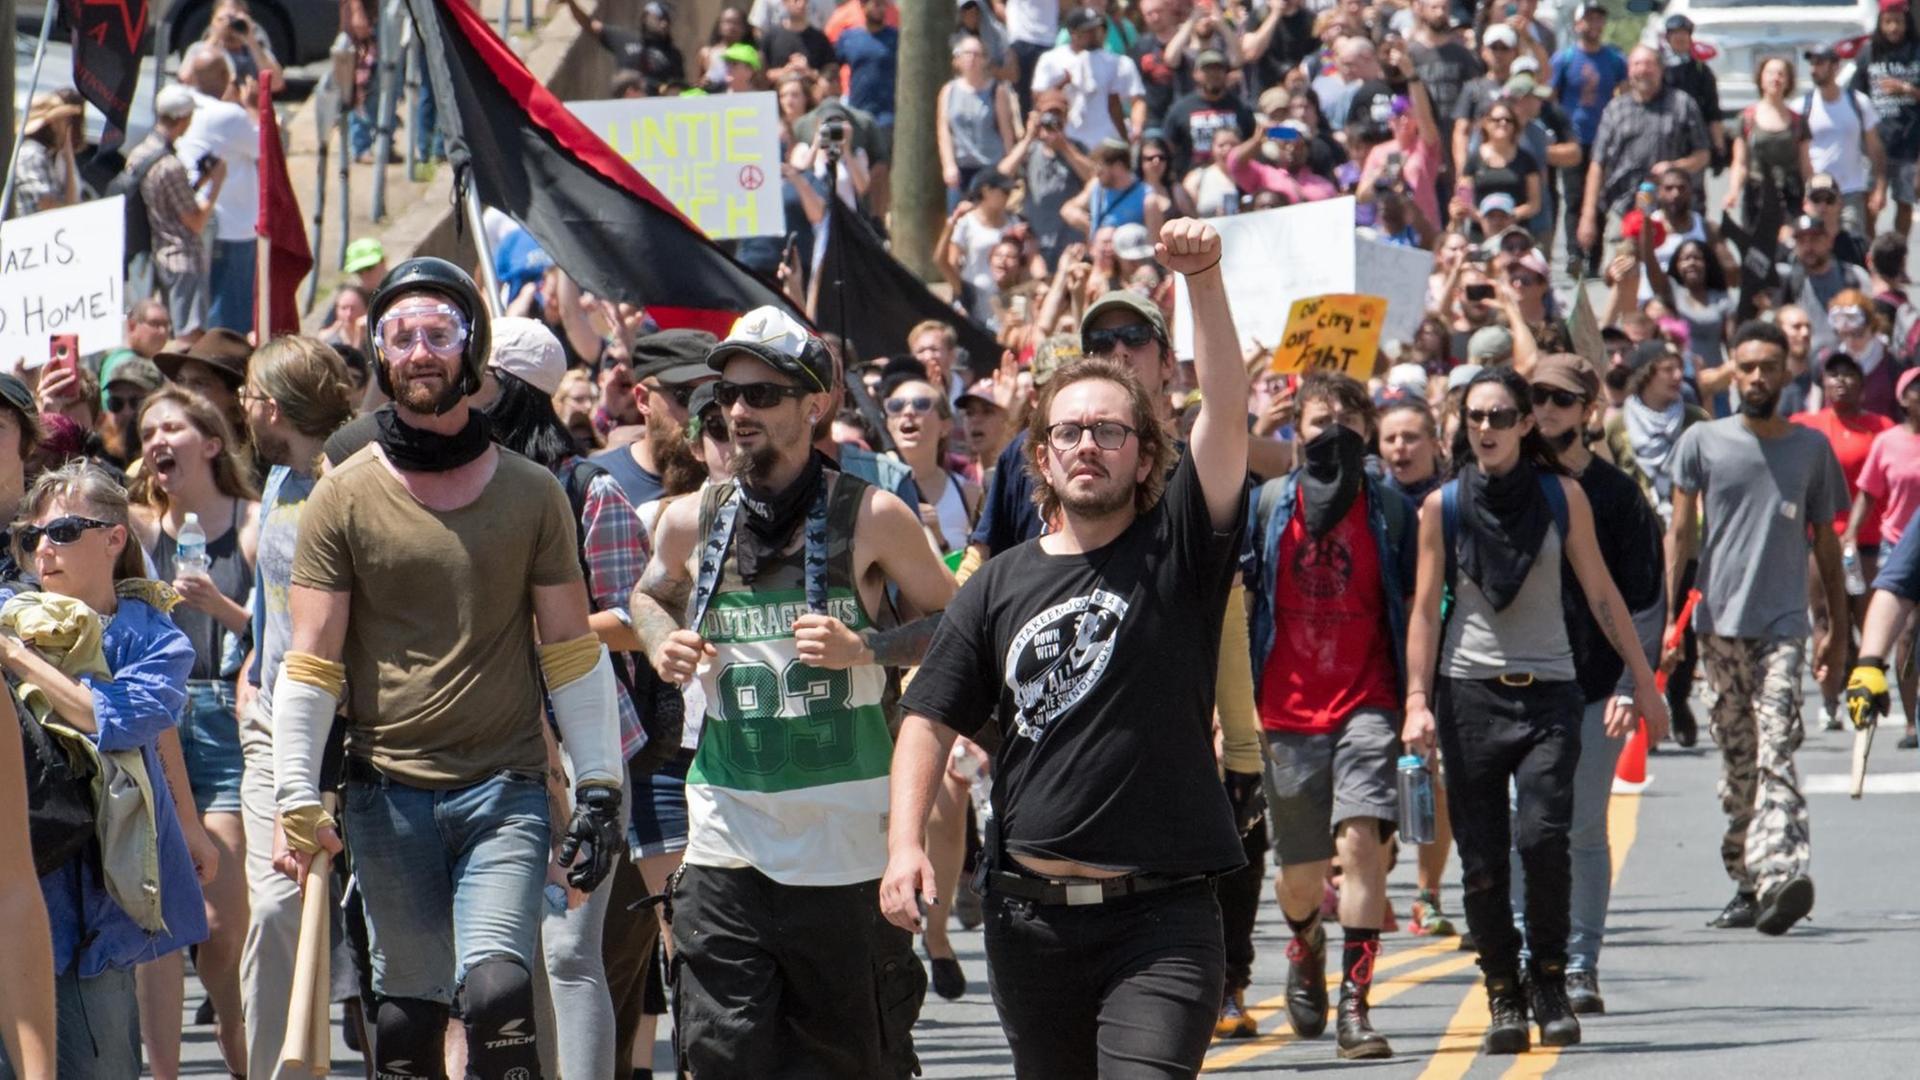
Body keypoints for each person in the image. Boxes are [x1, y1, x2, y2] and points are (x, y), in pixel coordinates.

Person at [884, 218, 1251, 1077]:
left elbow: (1228, 412)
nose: (1089, 444)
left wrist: (1201, 281)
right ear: (1041, 460)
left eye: (1110, 432)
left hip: (1162, 923)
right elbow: (927, 719)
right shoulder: (997, 582)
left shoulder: (1181, 546)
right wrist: (904, 844)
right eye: (1069, 433)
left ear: (1144, 451)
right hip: (1030, 927)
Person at [273, 258, 628, 1080]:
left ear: (474, 353)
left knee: (500, 992)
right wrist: (296, 787)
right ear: (380, 355)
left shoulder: (536, 492)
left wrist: (601, 786)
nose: (421, 350)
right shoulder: (342, 493)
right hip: (383, 793)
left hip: (502, 787)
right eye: (401, 336)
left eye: (441, 332)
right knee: (405, 1026)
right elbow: (314, 657)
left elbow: (571, 650)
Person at [628, 306, 952, 1076]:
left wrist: (867, 647)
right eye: (728, 395)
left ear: (815, 405)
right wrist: (656, 637)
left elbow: (954, 627)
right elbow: (645, 594)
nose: (739, 411)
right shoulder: (693, 519)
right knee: (720, 1060)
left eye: (763, 394)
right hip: (725, 845)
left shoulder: (872, 516)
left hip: (845, 858)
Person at [1402, 366, 1668, 1054]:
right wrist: (1414, 702)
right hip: (1469, 697)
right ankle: (1502, 995)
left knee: (1544, 840)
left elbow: (1604, 593)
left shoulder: (1564, 497)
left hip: (1550, 689)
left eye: (1499, 416)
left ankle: (1548, 978)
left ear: (1526, 425)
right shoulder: (1444, 507)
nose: (1485, 429)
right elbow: (1426, 611)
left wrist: (1643, 680)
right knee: (1485, 858)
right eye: (1474, 418)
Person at [478, 319, 652, 1080]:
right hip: (482, 737)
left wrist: (543, 627)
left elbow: (636, 617)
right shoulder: (452, 487)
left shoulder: (591, 489)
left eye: (478, 377)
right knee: (511, 952)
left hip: (582, 743)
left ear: (510, 390)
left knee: (570, 945)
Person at [0, 462, 204, 1079]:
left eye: (62, 532)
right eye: (31, 538)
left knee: (100, 1065)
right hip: (15, 880)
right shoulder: (10, 611)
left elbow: (111, 718)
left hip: (97, 902)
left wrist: (16, 659)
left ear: (114, 537)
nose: (43, 551)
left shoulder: (154, 639)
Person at [1243, 373, 1415, 1060]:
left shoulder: (1392, 510)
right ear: (1296, 430)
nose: (1334, 429)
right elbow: (1239, 611)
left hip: (1366, 704)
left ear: (1369, 429)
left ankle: (1356, 1006)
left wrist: (1419, 701)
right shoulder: (1266, 505)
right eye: (1319, 419)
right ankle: (1306, 941)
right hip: (1285, 711)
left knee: (1362, 844)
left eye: (1348, 416)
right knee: (1302, 875)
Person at [1664, 320, 1849, 937]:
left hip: (1782, 628)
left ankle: (1782, 874)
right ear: (1731, 369)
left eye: (1769, 366)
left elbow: (1826, 542)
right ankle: (1748, 881)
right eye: (1746, 367)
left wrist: (1836, 629)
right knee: (1739, 760)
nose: (1757, 378)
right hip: (1717, 627)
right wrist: (1670, 621)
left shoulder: (1810, 449)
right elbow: (1680, 533)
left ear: (1788, 371)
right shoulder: (1701, 443)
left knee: (1776, 748)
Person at [1515, 355, 1665, 1016]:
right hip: (1518, 684)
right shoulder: (1507, 485)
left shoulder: (1617, 495)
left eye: (1560, 399)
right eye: (1536, 397)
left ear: (1587, 411)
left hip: (1598, 686)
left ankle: (1581, 963)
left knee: (1580, 827)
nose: (1546, 409)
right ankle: (1526, 954)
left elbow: (1644, 602)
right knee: (1526, 827)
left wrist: (1636, 685)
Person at [230, 336, 356, 1080]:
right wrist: (254, 656)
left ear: (272, 406)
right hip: (273, 721)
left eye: (247, 398)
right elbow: (273, 599)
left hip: (352, 728)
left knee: (360, 925)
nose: (242, 411)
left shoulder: (351, 485)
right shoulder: (276, 478)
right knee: (277, 908)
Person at [127, 388, 260, 1078]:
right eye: (148, 429)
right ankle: (166, 1073)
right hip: (153, 722)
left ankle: (238, 1044)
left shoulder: (251, 524)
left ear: (210, 443)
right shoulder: (136, 529)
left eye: (172, 426)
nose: (157, 440)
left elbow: (284, 635)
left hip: (225, 725)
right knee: (156, 923)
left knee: (217, 925)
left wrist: (225, 609)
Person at [1577, 45, 1710, 269]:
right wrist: (1588, 216)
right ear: (1629, 71)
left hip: (1673, 214)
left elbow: (1703, 155)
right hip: (1624, 211)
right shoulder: (1614, 109)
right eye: (1637, 64)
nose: (1643, 70)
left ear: (1660, 69)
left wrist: (1674, 166)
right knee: (1619, 278)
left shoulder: (1682, 104)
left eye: (1649, 64)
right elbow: (1597, 164)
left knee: (1673, 281)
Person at [1847, 368, 1920, 746]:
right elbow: (1894, 590)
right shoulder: (1888, 442)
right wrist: (1870, 663)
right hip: (1897, 541)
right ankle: (1912, 720)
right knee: (1907, 633)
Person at [174, 42, 260, 337]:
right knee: (229, 323)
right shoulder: (229, 115)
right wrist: (250, 106)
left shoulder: (185, 107)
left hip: (200, 224)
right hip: (232, 229)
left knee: (207, 311)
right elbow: (265, 146)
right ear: (226, 77)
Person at [128, 86, 222, 339]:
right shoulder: (170, 165)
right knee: (188, 336)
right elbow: (195, 222)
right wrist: (216, 184)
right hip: (183, 257)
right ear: (182, 119)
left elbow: (166, 201)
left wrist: (200, 182)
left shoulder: (139, 154)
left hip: (158, 253)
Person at [592, 330, 718, 516]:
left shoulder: (733, 479)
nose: (699, 412)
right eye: (686, 396)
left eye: (713, 396)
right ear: (643, 400)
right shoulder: (599, 482)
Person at [1551, 1, 1627, 276]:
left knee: (1599, 199)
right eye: (1589, 20)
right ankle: (1574, 253)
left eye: (1598, 20)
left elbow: (1625, 91)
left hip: (1604, 139)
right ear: (1577, 24)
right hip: (1574, 139)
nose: (1594, 26)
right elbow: (1552, 97)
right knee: (1573, 197)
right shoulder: (1565, 58)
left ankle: (1593, 258)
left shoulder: (1614, 59)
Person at [883, 376, 981, 556]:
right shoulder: (872, 489)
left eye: (921, 404)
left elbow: (978, 569)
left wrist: (939, 540)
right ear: (888, 424)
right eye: (896, 405)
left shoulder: (969, 494)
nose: (908, 411)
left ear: (945, 426)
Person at [1804, 44, 1889, 240]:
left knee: (1852, 243)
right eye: (1812, 64)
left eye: (1819, 63)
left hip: (1850, 192)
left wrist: (1880, 187)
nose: (1813, 69)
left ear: (1836, 67)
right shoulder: (1804, 106)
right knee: (1817, 246)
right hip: (1817, 194)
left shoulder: (1859, 103)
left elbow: (1875, 147)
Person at [1852, 0, 1920, 240]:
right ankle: (1871, 256)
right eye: (1888, 22)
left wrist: (1907, 89)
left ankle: (1897, 259)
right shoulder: (1869, 52)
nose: (1894, 28)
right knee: (1870, 203)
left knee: (1905, 201)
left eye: (1898, 22)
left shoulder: (1916, 51)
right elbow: (1855, 96)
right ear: (1880, 24)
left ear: (1907, 23)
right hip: (1875, 145)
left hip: (1909, 144)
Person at [1032, 6, 1145, 149]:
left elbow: (1133, 100)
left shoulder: (1117, 62)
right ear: (1073, 34)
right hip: (1069, 139)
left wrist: (1135, 129)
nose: (1094, 35)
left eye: (1096, 29)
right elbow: (1038, 97)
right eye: (1088, 31)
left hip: (1107, 140)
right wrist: (1061, 85)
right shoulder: (1052, 59)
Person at [1725, 57, 1814, 226]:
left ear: (1788, 81)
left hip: (1790, 196)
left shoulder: (1798, 121)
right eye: (1770, 73)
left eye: (1781, 74)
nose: (1776, 78)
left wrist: (1811, 196)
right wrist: (1733, 192)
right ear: (1761, 79)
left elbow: (1805, 166)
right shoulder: (1747, 119)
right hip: (1758, 197)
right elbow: (1740, 163)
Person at [939, 36, 1020, 208]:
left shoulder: (996, 91)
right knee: (957, 221)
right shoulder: (948, 91)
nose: (972, 58)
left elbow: (1006, 132)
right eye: (967, 53)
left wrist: (1009, 167)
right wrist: (948, 165)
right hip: (961, 169)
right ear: (958, 59)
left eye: (977, 54)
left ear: (985, 60)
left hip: (989, 167)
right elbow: (944, 130)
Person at [1162, 49, 1254, 177]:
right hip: (1193, 180)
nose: (1213, 74)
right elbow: (1168, 147)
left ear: (1226, 74)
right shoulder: (1180, 109)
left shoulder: (1241, 109)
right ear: (1196, 74)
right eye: (1207, 70)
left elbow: (1252, 144)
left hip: (1234, 177)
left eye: (1218, 69)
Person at [1661, 15, 1726, 172]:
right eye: (1675, 33)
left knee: (1693, 190)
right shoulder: (1659, 69)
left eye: (1684, 33)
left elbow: (1713, 111)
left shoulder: (1701, 71)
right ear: (1667, 37)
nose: (1680, 37)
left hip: (1694, 137)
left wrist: (1719, 146)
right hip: (1663, 134)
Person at [1779, 214, 1875, 315]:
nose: (1808, 248)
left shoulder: (1855, 276)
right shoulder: (1790, 282)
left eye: (1814, 240)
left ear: (1829, 241)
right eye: (1801, 242)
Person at [9, 92, 81, 218]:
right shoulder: (31, 154)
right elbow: (46, 204)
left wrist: (68, 158)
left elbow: (71, 203)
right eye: (65, 121)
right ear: (53, 125)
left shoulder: (42, 154)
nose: (67, 128)